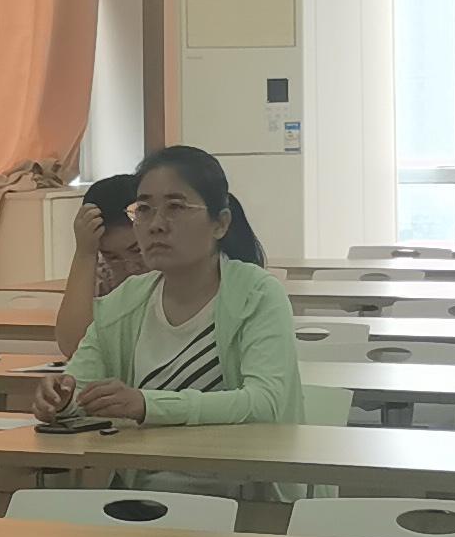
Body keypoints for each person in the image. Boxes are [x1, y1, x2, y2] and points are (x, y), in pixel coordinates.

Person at [39, 145, 303, 426]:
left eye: (175, 207)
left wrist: (148, 405)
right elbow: (79, 389)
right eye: (143, 209)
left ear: (220, 224)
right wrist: (61, 400)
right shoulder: (126, 300)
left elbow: (265, 404)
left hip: (241, 456)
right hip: (146, 456)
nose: (156, 225)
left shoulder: (257, 294)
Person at [49, 171, 141, 354]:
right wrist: (84, 253)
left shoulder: (176, 268)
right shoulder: (103, 273)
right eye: (113, 257)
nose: (130, 266)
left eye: (137, 250)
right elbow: (74, 346)